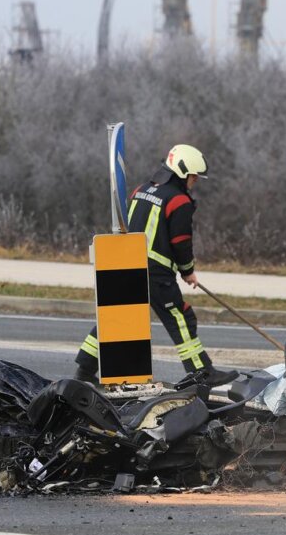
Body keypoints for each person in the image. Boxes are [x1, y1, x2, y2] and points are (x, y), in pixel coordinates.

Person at [73, 144, 238, 387]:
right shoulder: (179, 201)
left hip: (127, 266)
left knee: (114, 320)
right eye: (194, 177)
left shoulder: (141, 190)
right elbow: (181, 242)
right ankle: (202, 372)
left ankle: (84, 370)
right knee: (180, 317)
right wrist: (188, 270)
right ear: (183, 173)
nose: (195, 182)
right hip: (155, 273)